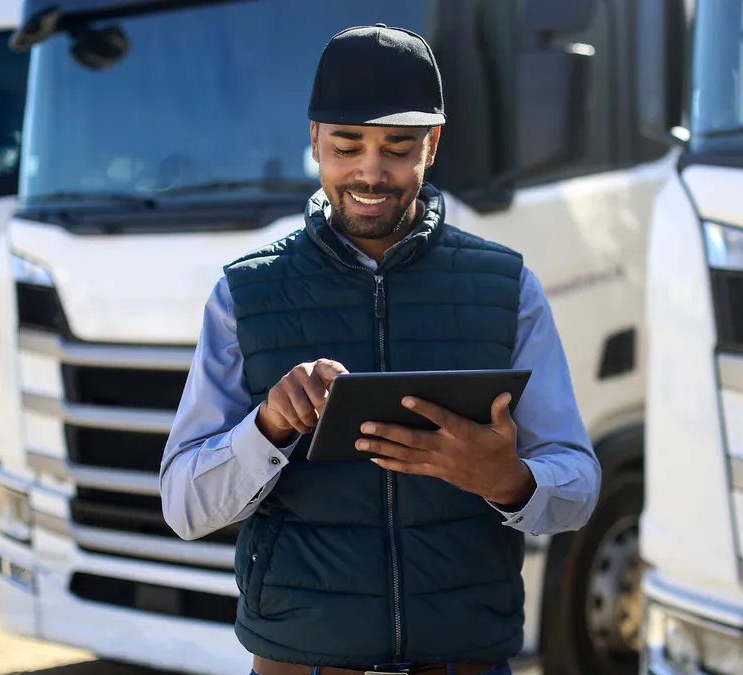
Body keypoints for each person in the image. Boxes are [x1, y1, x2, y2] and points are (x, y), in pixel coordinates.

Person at [159, 23, 601, 675]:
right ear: (314, 141)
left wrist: (508, 480)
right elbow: (184, 506)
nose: (371, 171)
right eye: (347, 146)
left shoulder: (510, 288)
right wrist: (269, 426)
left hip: (466, 664)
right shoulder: (243, 293)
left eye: (398, 147)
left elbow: (581, 483)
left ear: (434, 145)